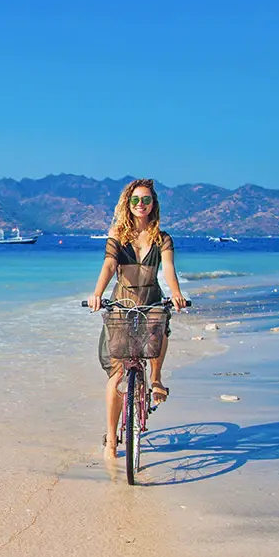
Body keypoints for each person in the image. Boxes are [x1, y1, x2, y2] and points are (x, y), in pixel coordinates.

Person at [88, 179, 185, 460]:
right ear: (127, 204)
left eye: (146, 200)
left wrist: (176, 293)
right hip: (122, 301)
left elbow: (168, 268)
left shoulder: (162, 238)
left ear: (153, 204)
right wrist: (97, 294)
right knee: (118, 375)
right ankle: (111, 440)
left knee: (160, 320)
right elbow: (109, 265)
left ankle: (155, 378)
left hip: (151, 298)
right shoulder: (118, 235)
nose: (140, 205)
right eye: (135, 200)